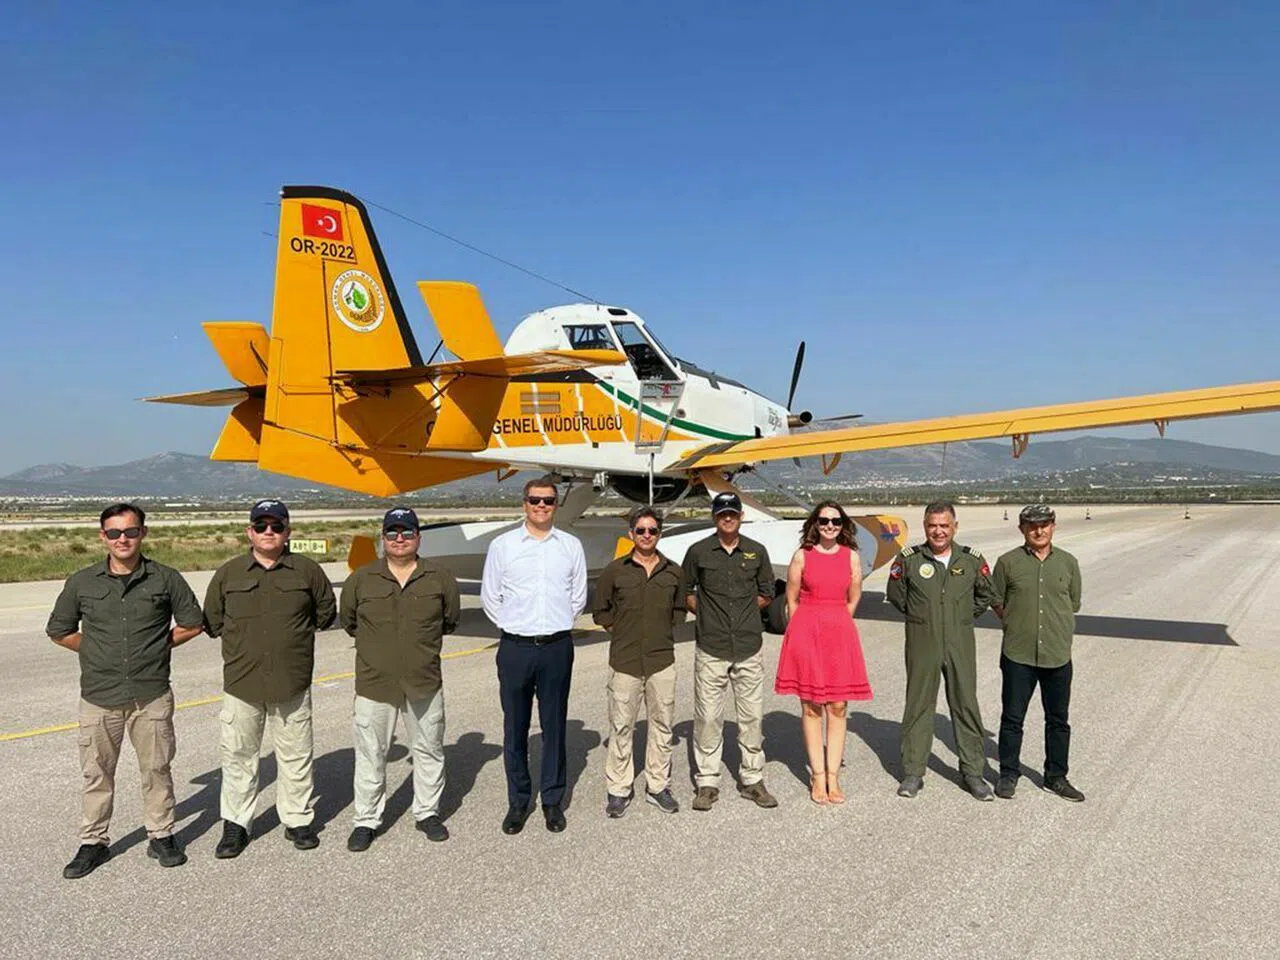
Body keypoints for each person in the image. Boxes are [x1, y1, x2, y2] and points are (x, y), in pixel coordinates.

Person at [46, 503, 204, 879]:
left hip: (151, 694)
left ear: (142, 533)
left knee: (157, 769)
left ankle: (161, 835)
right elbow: (59, 630)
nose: (123, 539)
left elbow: (193, 623)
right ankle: (93, 841)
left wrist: (157, 647)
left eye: (131, 531)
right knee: (96, 773)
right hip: (99, 696)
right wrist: (95, 651)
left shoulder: (165, 578)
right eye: (115, 533)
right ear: (103, 536)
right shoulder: (83, 582)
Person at [203, 499, 337, 858]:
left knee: (296, 755)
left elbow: (325, 614)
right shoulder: (229, 573)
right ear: (249, 532)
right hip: (242, 684)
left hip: (291, 682)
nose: (268, 532)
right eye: (261, 526)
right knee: (238, 757)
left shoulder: (307, 571)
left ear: (287, 532)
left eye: (276, 526)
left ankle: (297, 819)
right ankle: (236, 824)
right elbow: (213, 621)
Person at [340, 507, 461, 851]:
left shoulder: (439, 578)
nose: (399, 539)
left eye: (407, 532)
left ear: (418, 537)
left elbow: (449, 620)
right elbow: (349, 620)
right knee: (371, 754)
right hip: (375, 683)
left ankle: (427, 813)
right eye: (392, 532)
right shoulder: (362, 579)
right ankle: (366, 820)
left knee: (429, 749)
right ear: (383, 538)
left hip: (423, 681)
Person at [481, 476, 587, 835]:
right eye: (535, 500)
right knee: (515, 727)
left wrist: (555, 623)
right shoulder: (503, 546)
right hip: (516, 647)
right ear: (524, 503)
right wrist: (515, 626)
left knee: (554, 726)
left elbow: (577, 596)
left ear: (556, 505)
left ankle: (552, 801)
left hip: (556, 646)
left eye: (548, 501)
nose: (542, 506)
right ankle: (518, 801)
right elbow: (491, 596)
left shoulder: (570, 546)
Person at [885, 501, 995, 801]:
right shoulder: (909, 559)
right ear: (925, 527)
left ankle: (973, 772)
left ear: (955, 527)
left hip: (960, 641)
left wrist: (960, 617)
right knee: (919, 704)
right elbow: (896, 595)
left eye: (944, 525)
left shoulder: (971, 560)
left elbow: (985, 594)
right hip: (922, 640)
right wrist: (924, 616)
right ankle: (913, 772)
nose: (938, 531)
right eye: (932, 525)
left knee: (965, 704)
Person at [682, 491, 778, 812]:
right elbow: (687, 591)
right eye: (722, 513)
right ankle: (707, 781)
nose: (727, 518)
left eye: (732, 513)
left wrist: (744, 615)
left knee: (751, 716)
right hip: (712, 646)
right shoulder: (698, 552)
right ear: (714, 517)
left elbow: (766, 592)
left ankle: (752, 779)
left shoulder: (756, 551)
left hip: (748, 645)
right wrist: (709, 616)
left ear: (740, 516)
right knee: (709, 716)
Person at [774, 501, 872, 804]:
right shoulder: (802, 556)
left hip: (839, 634)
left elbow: (853, 597)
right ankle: (818, 776)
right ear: (815, 524)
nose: (830, 526)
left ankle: (833, 776)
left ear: (843, 525)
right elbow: (791, 598)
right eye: (824, 520)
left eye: (836, 521)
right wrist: (801, 631)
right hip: (806, 632)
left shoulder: (851, 556)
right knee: (811, 706)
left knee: (838, 706)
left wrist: (836, 621)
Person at [592, 506, 686, 818]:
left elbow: (678, 611)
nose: (647, 535)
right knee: (621, 726)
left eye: (652, 530)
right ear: (631, 534)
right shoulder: (615, 571)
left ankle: (658, 786)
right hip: (625, 660)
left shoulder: (674, 572)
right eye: (641, 530)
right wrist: (622, 632)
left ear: (660, 534)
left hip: (661, 660)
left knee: (662, 725)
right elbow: (601, 611)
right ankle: (619, 789)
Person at [990, 504, 1085, 802]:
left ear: (1053, 526)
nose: (1038, 530)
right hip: (1018, 655)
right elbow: (997, 600)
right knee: (1012, 718)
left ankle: (1056, 777)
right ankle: (1008, 774)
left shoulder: (1068, 563)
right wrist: (1017, 622)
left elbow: (1073, 603)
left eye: (1044, 524)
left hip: (1057, 655)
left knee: (1058, 720)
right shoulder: (1007, 563)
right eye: (1031, 525)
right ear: (1022, 529)